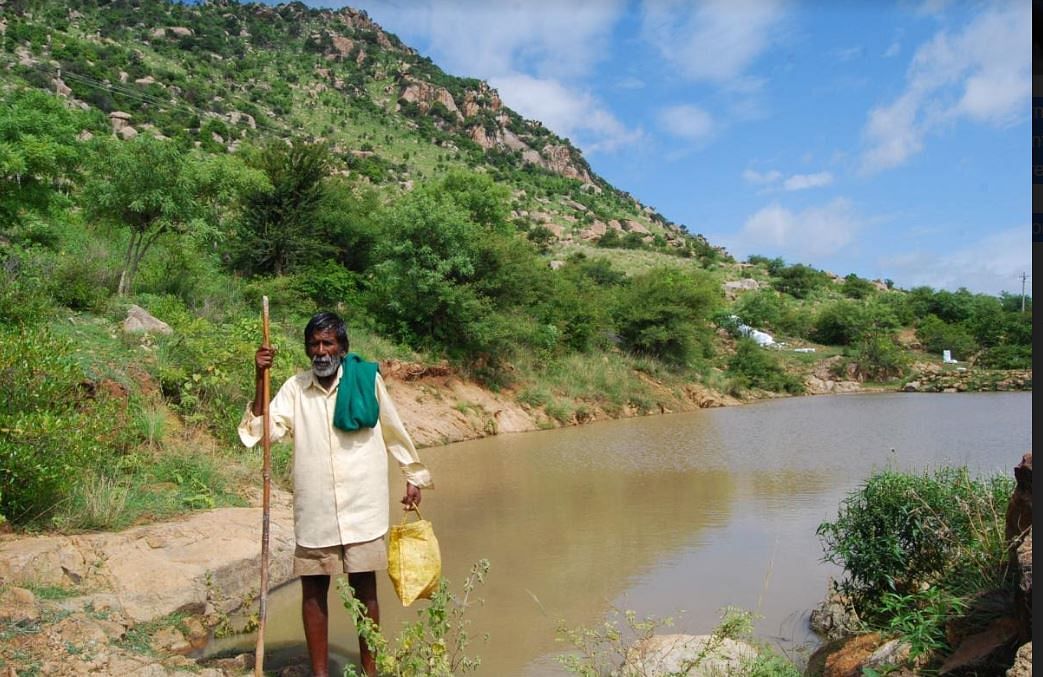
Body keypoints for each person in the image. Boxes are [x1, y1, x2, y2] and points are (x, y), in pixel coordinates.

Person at [239, 311, 432, 677]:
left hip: (363, 506)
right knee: (313, 591)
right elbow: (264, 432)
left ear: (343, 347)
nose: (321, 351)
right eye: (314, 344)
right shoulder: (296, 388)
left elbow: (393, 428)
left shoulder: (365, 380)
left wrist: (413, 474)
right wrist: (258, 376)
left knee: (365, 590)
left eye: (328, 343)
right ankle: (320, 674)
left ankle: (371, 669)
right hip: (316, 510)